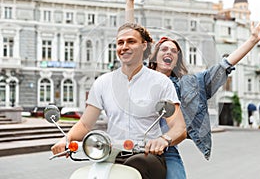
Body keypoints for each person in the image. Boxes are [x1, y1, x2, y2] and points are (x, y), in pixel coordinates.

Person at [125, 0, 260, 178]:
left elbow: (223, 67)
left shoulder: (189, 85)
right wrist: (130, 3)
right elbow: (131, 40)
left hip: (167, 149)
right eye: (164, 49)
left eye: (174, 51)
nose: (169, 52)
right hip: (132, 145)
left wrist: (252, 40)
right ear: (154, 56)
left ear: (176, 59)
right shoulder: (141, 76)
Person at [51, 22, 187, 179]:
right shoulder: (103, 82)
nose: (124, 46)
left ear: (144, 45)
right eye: (120, 42)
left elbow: (179, 127)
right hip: (111, 155)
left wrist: (164, 139)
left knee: (137, 163)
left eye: (131, 41)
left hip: (147, 155)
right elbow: (85, 124)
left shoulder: (161, 82)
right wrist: (65, 139)